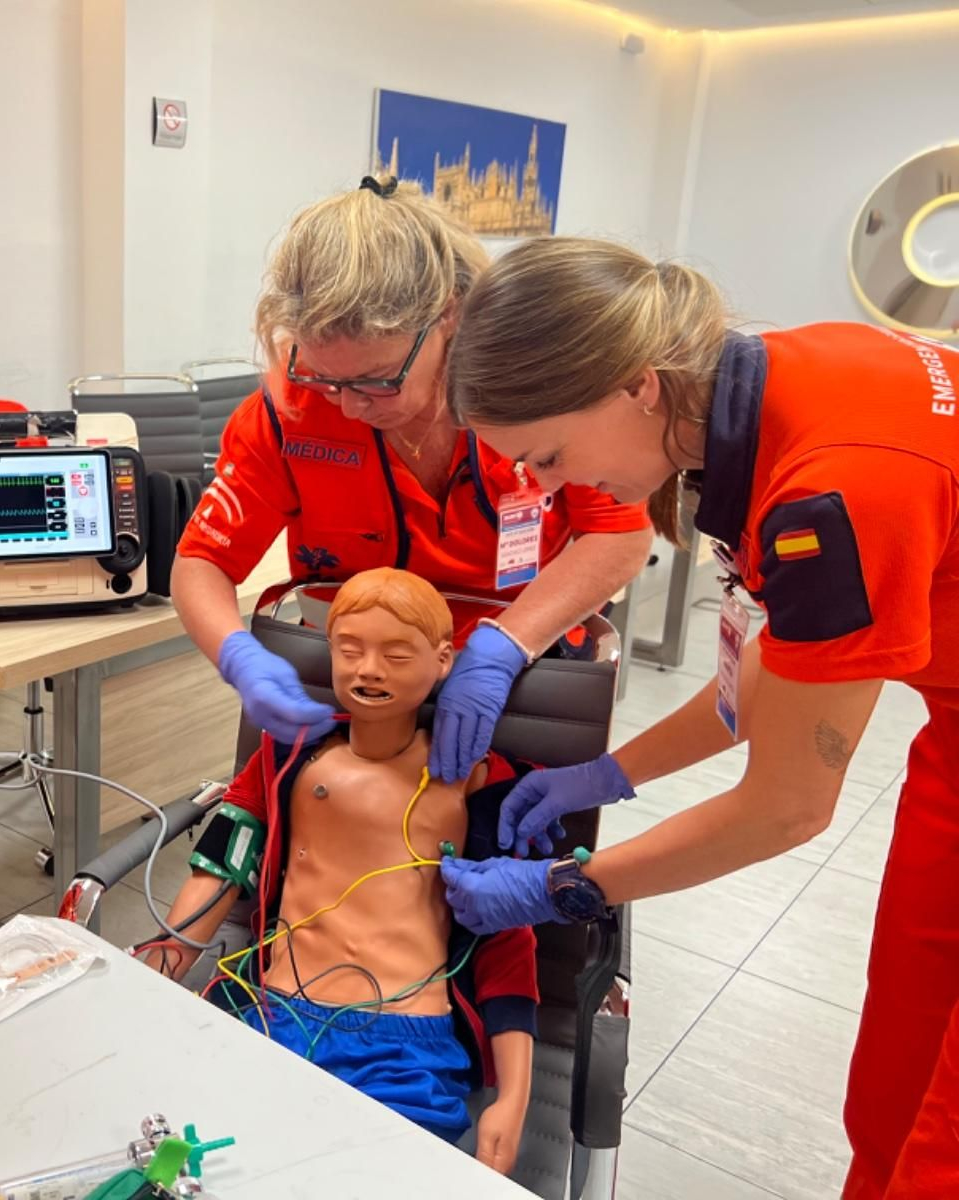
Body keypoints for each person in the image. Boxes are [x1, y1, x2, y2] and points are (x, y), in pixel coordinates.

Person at [435, 235, 959, 1199]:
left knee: (944, 1151)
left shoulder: (835, 489)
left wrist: (565, 886)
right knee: (894, 1084)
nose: (544, 490)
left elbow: (786, 809)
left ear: (637, 385)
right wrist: (610, 774)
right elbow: (786, 673)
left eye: (546, 456)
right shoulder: (775, 381)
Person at [170, 175, 651, 784]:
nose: (347, 407)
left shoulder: (527, 392)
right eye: (324, 378)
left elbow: (620, 533)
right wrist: (237, 657)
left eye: (377, 380)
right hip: (355, 672)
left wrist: (506, 647)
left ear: (448, 314)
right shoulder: (286, 410)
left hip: (517, 666)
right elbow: (201, 563)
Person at [139, 568, 537, 1174]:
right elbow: (223, 862)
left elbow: (509, 941)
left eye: (396, 654)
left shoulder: (480, 782)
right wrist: (168, 958)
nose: (368, 669)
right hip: (276, 1013)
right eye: (349, 650)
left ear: (444, 659)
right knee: (219, 1170)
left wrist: (513, 1097)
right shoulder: (288, 754)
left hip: (405, 1045)